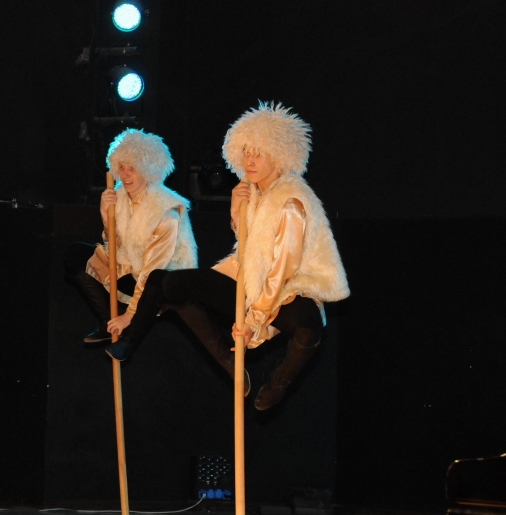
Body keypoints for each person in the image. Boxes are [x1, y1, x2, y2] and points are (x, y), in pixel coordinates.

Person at [106, 102, 349, 410]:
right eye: (245, 152)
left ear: (280, 156)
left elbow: (280, 271)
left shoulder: (291, 203)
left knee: (309, 326)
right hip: (250, 283)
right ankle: (226, 361)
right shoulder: (254, 190)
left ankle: (277, 384)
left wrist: (252, 323)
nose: (249, 160)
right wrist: (236, 211)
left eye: (258, 153)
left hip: (289, 290)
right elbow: (250, 246)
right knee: (168, 284)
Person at [66, 129, 198, 343]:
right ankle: (108, 324)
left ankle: (128, 331)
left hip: (160, 287)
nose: (125, 175)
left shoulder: (166, 211)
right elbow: (114, 248)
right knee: (76, 254)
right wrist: (105, 215)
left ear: (147, 171)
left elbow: (152, 270)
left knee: (154, 281)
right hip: (132, 272)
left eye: (132, 168)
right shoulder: (118, 196)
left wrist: (129, 316)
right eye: (122, 167)